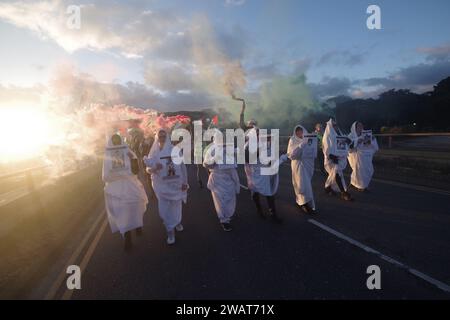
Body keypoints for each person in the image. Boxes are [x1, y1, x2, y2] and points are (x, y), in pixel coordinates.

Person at [102, 133, 148, 252]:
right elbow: (105, 176)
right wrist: (117, 174)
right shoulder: (107, 155)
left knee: (136, 205)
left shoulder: (128, 151)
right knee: (122, 211)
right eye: (114, 141)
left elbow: (135, 170)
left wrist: (132, 159)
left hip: (129, 185)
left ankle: (137, 225)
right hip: (116, 189)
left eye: (118, 140)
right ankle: (127, 237)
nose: (116, 142)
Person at [145, 129, 189, 245]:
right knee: (164, 210)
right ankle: (170, 230)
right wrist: (154, 169)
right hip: (160, 186)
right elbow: (148, 169)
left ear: (167, 137)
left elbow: (183, 167)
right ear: (157, 138)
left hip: (175, 185)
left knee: (176, 207)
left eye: (164, 136)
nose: (162, 138)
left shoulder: (175, 150)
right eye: (160, 136)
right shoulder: (154, 152)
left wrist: (185, 182)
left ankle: (176, 222)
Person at [244, 128, 285, 223]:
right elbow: (248, 160)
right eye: (256, 134)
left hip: (266, 171)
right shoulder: (247, 146)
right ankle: (259, 209)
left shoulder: (266, 143)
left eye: (259, 133)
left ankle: (273, 214)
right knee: (255, 192)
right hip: (255, 172)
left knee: (269, 193)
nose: (258, 136)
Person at [203, 131, 240, 231]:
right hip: (218, 178)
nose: (220, 139)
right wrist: (214, 159)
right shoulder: (211, 149)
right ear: (214, 139)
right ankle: (224, 220)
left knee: (230, 198)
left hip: (229, 177)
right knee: (220, 201)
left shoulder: (228, 147)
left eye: (222, 137)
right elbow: (206, 164)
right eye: (218, 137)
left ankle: (228, 214)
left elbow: (237, 154)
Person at [287, 125, 317, 214]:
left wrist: (315, 137)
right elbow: (291, 155)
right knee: (301, 184)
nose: (299, 133)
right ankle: (303, 203)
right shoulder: (292, 140)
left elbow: (314, 152)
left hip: (308, 164)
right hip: (298, 165)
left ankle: (304, 202)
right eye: (297, 131)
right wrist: (301, 145)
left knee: (307, 184)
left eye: (301, 131)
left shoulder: (309, 139)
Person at [322, 118, 353, 201]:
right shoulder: (327, 135)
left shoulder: (340, 134)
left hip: (340, 158)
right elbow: (325, 148)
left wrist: (347, 140)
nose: (335, 127)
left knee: (333, 174)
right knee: (337, 174)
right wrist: (331, 156)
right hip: (331, 159)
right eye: (334, 125)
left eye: (336, 125)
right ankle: (344, 192)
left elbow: (349, 143)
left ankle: (328, 187)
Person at [347, 121, 379, 192]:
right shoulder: (351, 135)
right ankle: (362, 186)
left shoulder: (366, 134)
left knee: (369, 170)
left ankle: (353, 183)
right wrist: (357, 140)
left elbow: (372, 146)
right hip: (356, 157)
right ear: (355, 127)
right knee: (359, 171)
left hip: (366, 156)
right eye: (359, 126)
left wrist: (373, 139)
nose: (361, 128)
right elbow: (348, 146)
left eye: (362, 126)